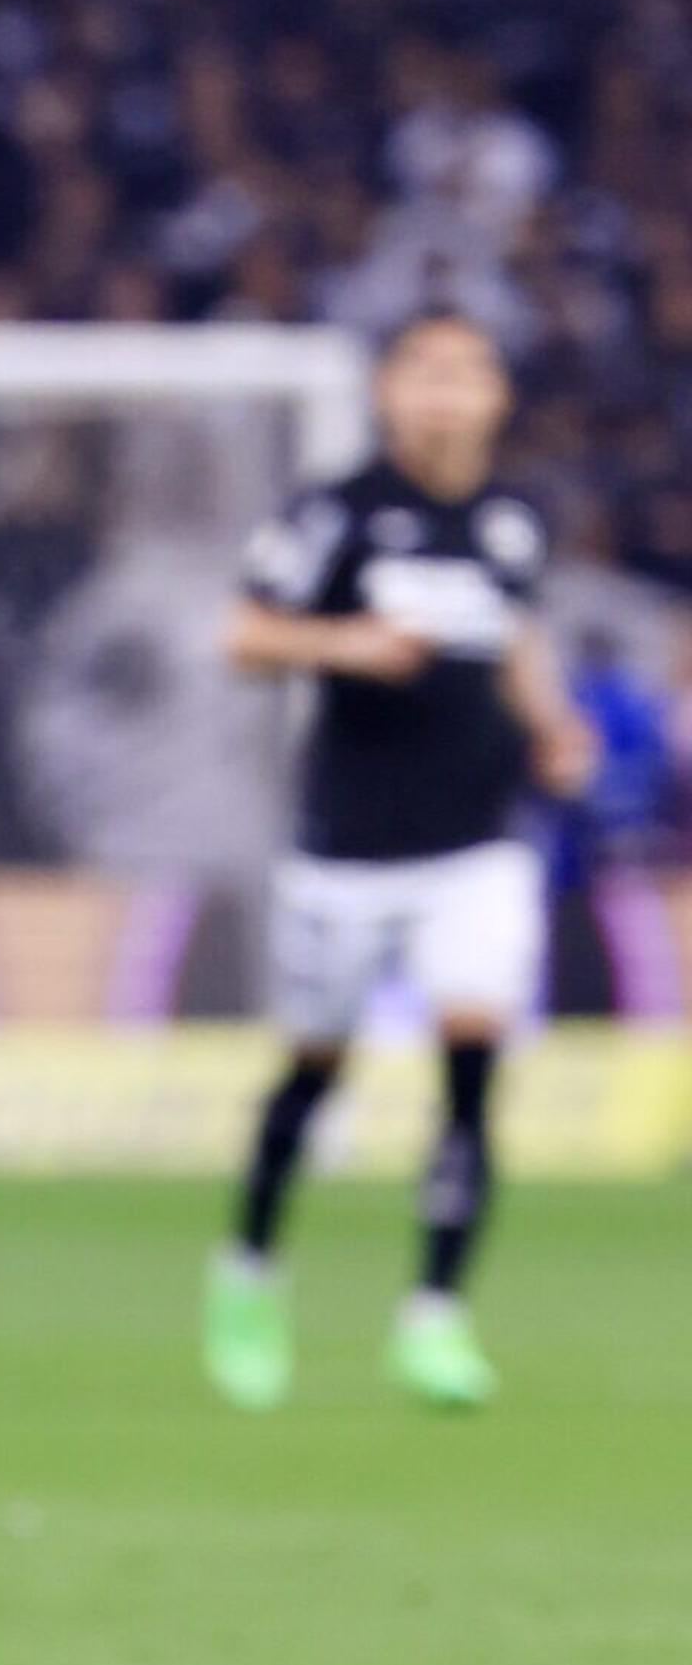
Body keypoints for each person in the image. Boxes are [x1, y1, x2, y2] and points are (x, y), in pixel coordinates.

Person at [208, 313, 596, 1413]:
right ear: (387, 391)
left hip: (477, 847)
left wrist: (556, 728)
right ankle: (248, 1271)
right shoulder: (337, 513)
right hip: (346, 852)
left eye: (467, 372)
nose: (445, 393)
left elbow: (517, 640)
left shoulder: (515, 523)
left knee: (471, 1063)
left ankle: (435, 1315)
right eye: (425, 371)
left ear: (497, 397)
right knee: (314, 1070)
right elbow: (243, 633)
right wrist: (347, 645)